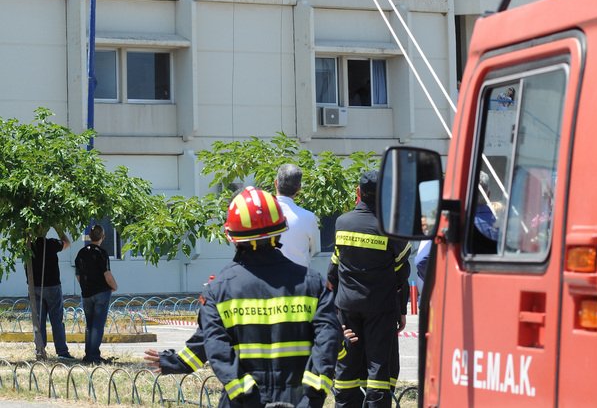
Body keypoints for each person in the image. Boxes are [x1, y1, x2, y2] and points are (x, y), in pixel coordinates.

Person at [144, 185, 341, 408]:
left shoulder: (218, 291)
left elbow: (215, 347)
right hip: (298, 401)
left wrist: (175, 362)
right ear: (280, 230)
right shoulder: (313, 284)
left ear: (231, 236)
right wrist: (311, 398)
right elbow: (328, 342)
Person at [327, 170, 411, 408]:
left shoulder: (342, 223)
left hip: (346, 306)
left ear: (358, 193)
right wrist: (400, 308)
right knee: (378, 364)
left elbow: (334, 267)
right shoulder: (391, 228)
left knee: (347, 362)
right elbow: (402, 272)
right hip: (380, 307)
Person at [75, 224, 118, 365]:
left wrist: (85, 287)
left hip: (86, 293)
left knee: (89, 324)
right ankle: (94, 356)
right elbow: (107, 274)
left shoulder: (81, 253)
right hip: (101, 293)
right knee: (97, 325)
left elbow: (78, 276)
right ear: (103, 237)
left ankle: (89, 355)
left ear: (90, 237)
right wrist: (114, 286)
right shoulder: (101, 253)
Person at [27, 230, 74, 360]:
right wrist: (59, 230)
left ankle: (40, 350)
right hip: (52, 286)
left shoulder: (27, 245)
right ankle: (62, 352)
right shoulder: (51, 244)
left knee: (39, 321)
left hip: (34, 287)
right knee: (56, 320)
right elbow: (67, 243)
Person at [274, 163, 321, 267]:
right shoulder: (309, 217)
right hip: (301, 277)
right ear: (299, 188)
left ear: (276, 183)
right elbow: (313, 250)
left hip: (269, 279)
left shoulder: (263, 213)